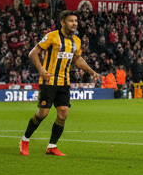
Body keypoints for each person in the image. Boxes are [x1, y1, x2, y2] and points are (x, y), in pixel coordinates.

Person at [19, 10, 101, 157]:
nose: (74, 24)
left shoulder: (76, 41)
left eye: (75, 21)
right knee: (42, 114)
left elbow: (77, 59)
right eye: (71, 21)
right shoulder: (52, 36)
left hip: (64, 82)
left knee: (63, 114)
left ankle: (52, 146)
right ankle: (25, 140)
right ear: (63, 22)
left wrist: (91, 72)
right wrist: (42, 70)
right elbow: (33, 53)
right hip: (49, 80)